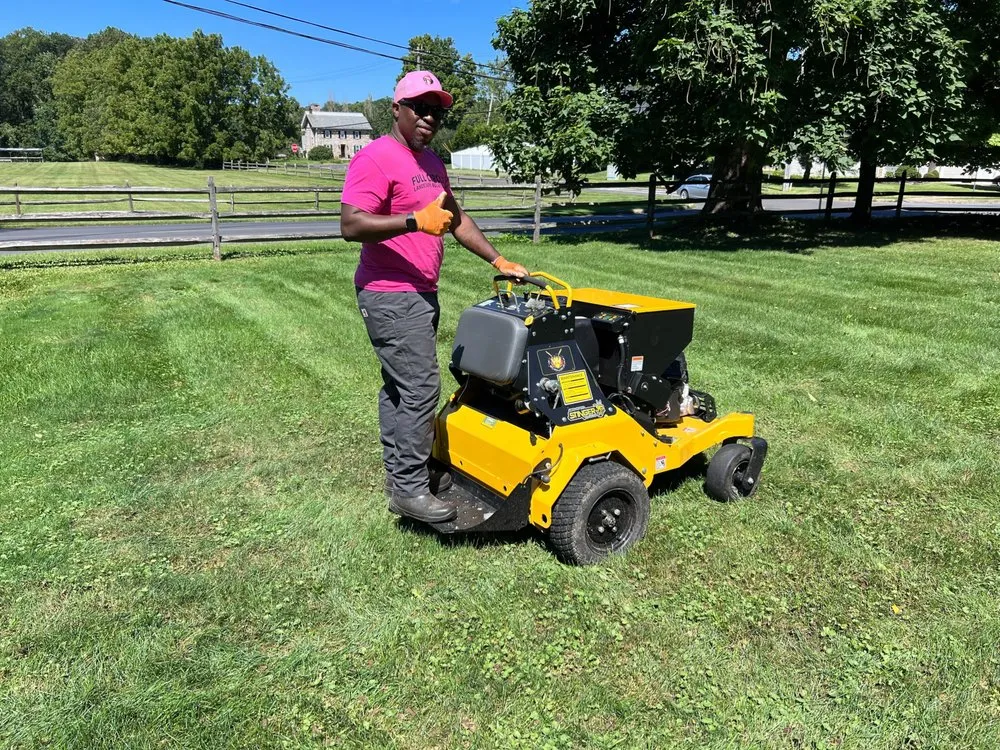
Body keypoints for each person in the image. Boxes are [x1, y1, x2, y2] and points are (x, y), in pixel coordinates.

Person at [340, 70, 529, 524]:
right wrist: (413, 221)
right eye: (420, 108)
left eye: (436, 111)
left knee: (400, 389)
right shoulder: (376, 158)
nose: (429, 118)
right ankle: (409, 489)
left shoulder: (432, 164)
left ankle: (403, 476)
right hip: (391, 293)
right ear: (397, 109)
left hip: (422, 292)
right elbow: (351, 224)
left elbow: (456, 220)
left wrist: (498, 260)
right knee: (421, 388)